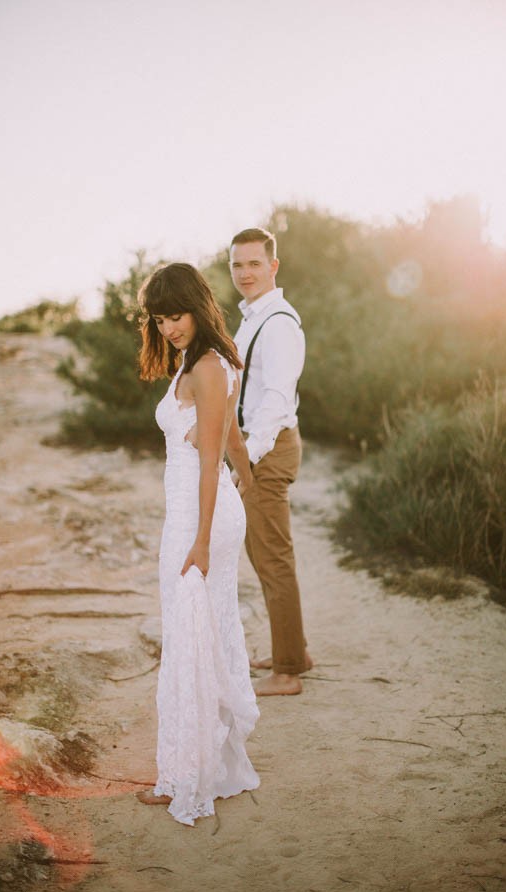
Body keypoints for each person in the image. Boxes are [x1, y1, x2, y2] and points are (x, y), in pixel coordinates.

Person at [135, 262, 259, 826]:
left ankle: (184, 778)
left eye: (176, 315)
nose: (168, 328)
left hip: (196, 519)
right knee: (198, 635)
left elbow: (210, 457)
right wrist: (248, 475)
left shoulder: (208, 365)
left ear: (198, 306)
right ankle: (200, 765)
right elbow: (230, 434)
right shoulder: (201, 359)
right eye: (159, 319)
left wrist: (204, 540)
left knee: (189, 640)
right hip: (195, 511)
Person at [229, 228, 312, 697]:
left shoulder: (277, 322)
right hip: (259, 444)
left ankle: (286, 673)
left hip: (268, 446)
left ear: (273, 266)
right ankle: (293, 651)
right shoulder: (254, 316)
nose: (245, 273)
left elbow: (277, 399)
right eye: (237, 265)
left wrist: (248, 461)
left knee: (273, 557)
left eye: (254, 264)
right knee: (263, 553)